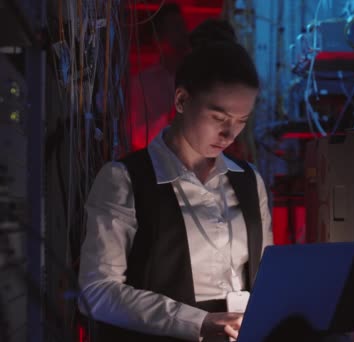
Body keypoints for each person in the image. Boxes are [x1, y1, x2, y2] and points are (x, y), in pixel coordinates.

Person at [79, 18, 273, 341]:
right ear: (181, 100)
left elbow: (268, 281)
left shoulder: (250, 181)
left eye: (241, 121)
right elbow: (96, 291)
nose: (229, 133)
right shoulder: (124, 180)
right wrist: (197, 322)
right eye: (219, 117)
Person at [128, 3, 189, 151]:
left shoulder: (197, 78)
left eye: (180, 27)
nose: (179, 35)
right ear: (158, 37)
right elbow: (137, 136)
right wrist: (170, 118)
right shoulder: (142, 83)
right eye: (172, 28)